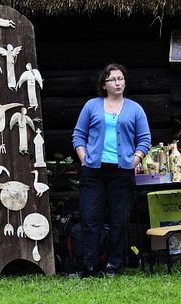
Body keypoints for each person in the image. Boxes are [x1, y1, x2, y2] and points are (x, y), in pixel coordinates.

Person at [72, 63, 151, 277]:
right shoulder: (92, 105)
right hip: (94, 172)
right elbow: (78, 135)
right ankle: (89, 265)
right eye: (113, 79)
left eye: (121, 78)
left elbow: (144, 139)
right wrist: (83, 158)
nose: (118, 83)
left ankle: (113, 265)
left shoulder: (135, 109)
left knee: (119, 220)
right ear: (104, 84)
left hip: (122, 172)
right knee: (90, 218)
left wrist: (133, 162)